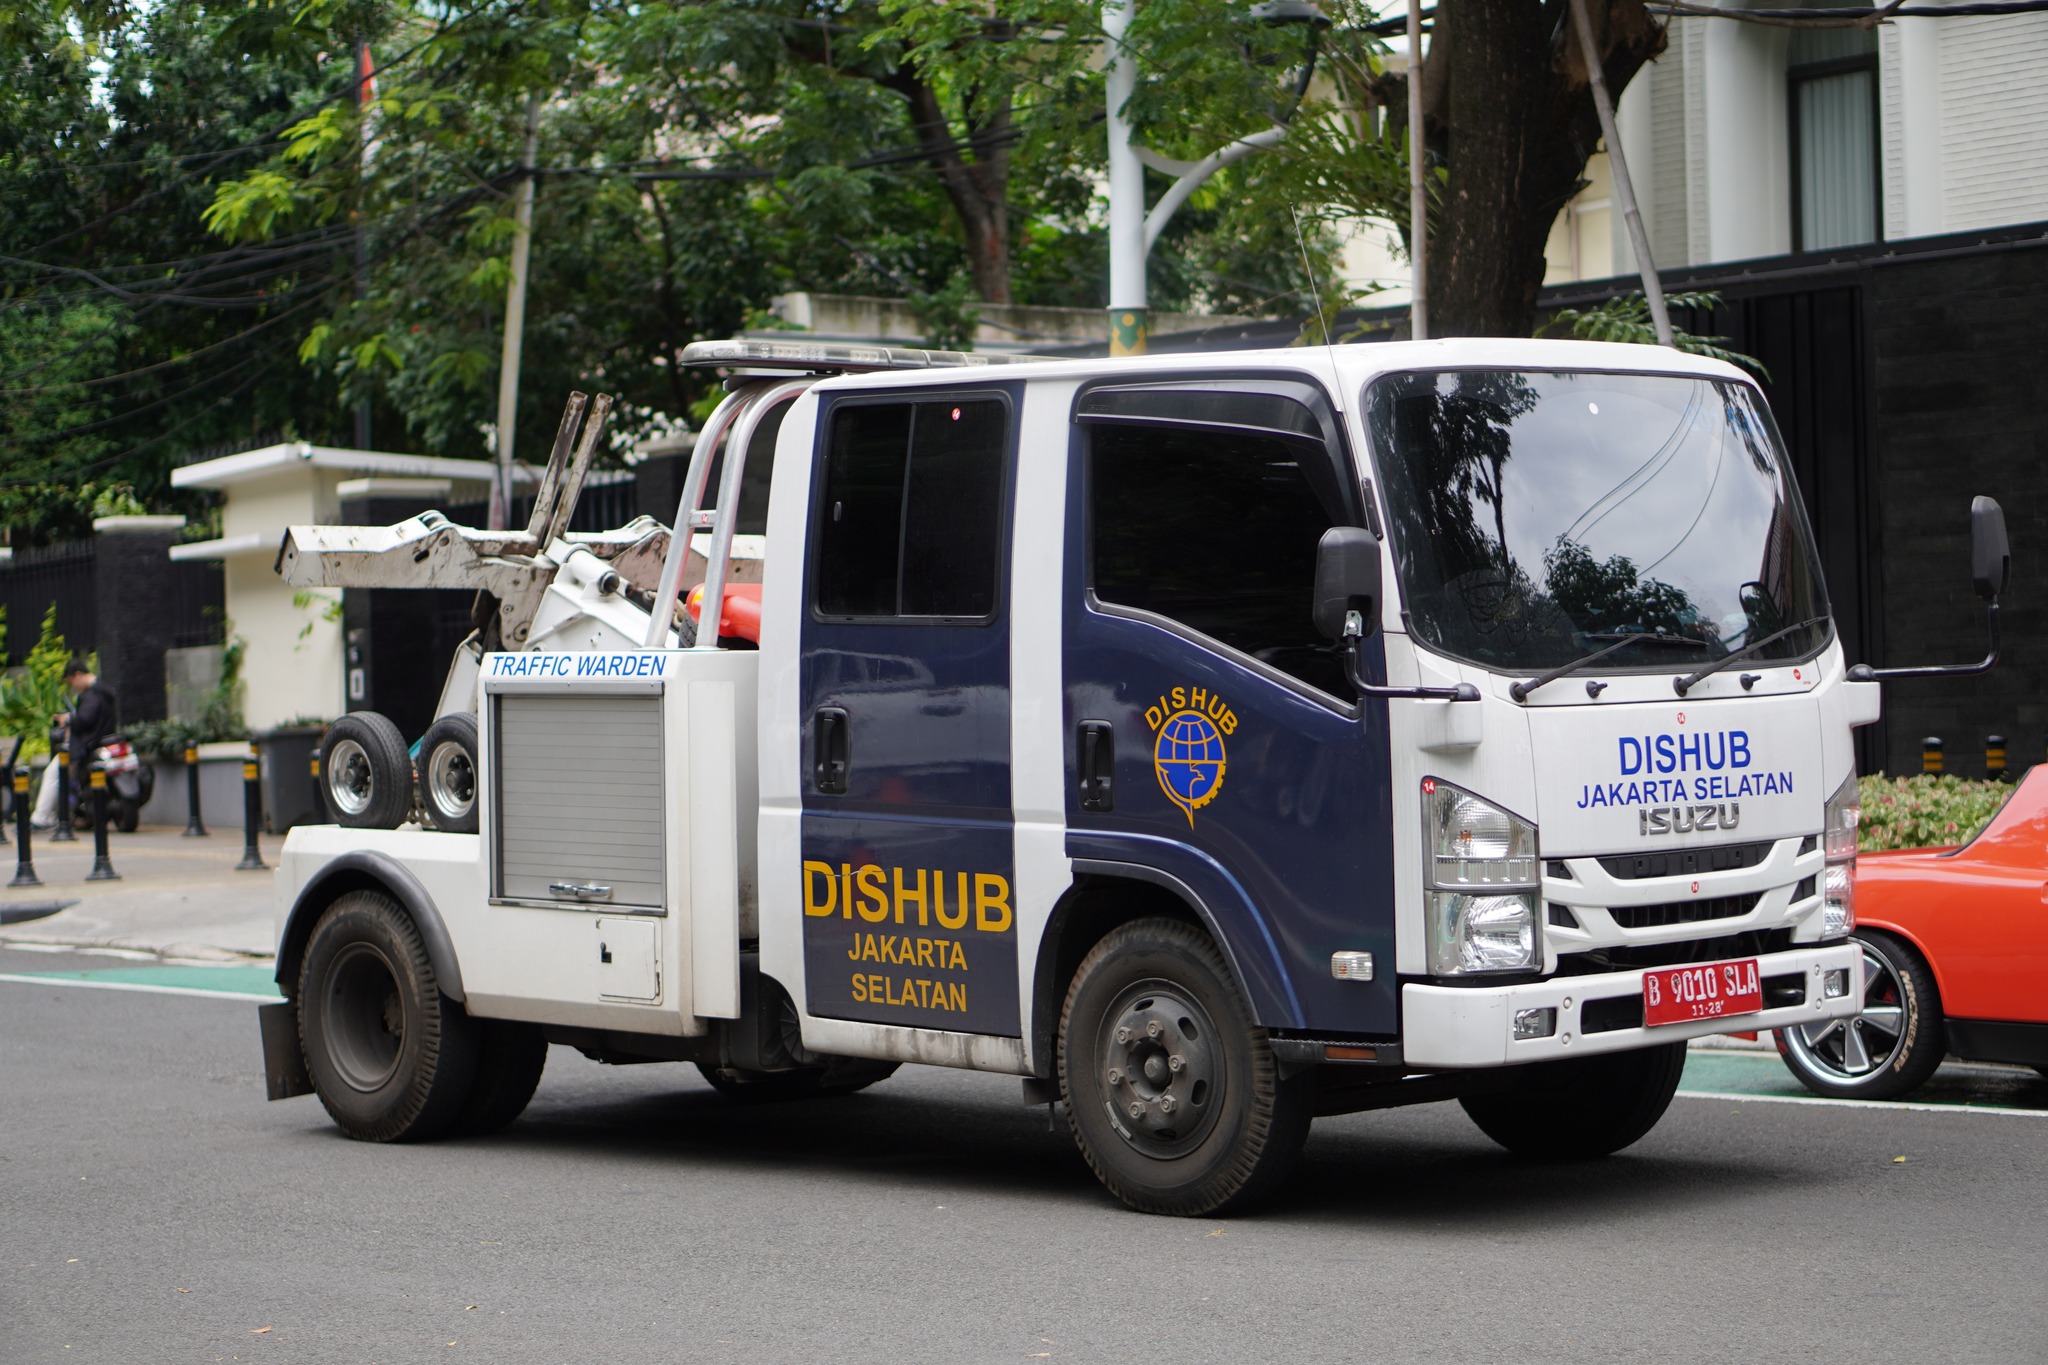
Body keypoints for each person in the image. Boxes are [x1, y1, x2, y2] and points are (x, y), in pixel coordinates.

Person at [55, 658, 118, 802]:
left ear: (77, 675)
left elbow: (85, 720)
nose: (73, 687)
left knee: (55, 774)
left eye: (71, 682)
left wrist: (69, 720)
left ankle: (44, 818)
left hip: (89, 744)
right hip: (103, 741)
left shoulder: (93, 694)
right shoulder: (104, 689)